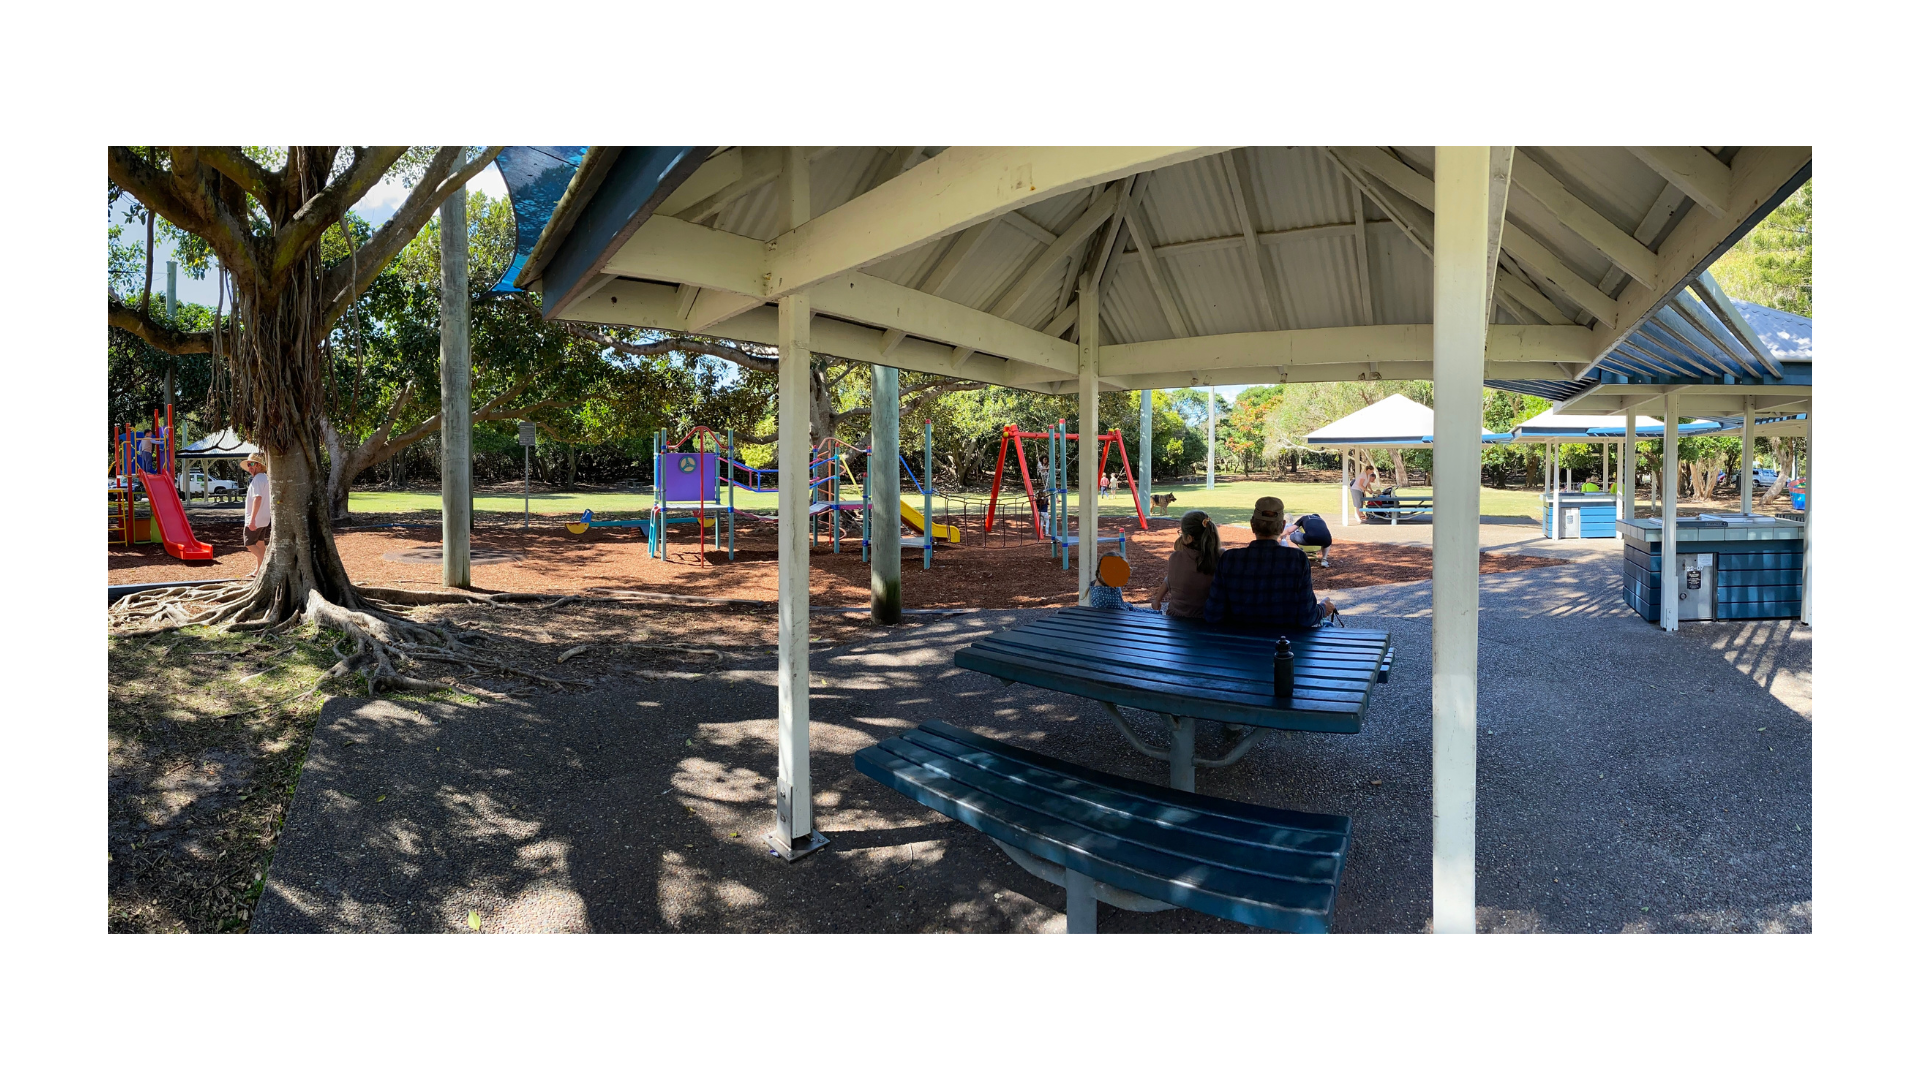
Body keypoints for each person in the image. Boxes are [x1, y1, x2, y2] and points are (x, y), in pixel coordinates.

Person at [1204, 496, 1337, 630]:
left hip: (1239, 643)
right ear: (1283, 526)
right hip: (1286, 645)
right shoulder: (1297, 559)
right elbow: (1307, 617)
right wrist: (1323, 608)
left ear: (1252, 525)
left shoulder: (1230, 558)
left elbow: (1213, 614)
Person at [1151, 510, 1219, 619]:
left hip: (1175, 619)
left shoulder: (1175, 558)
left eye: (1182, 533)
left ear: (1189, 538)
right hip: (1207, 620)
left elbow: (1169, 580)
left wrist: (1157, 599)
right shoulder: (1220, 557)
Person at [242, 451, 271, 578]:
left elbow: (257, 498)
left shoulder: (258, 479)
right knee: (260, 543)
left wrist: (252, 519)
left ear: (259, 465)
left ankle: (266, 565)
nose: (250, 467)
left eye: (252, 464)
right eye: (248, 464)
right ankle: (259, 570)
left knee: (249, 543)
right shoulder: (265, 478)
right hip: (264, 519)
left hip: (256, 519)